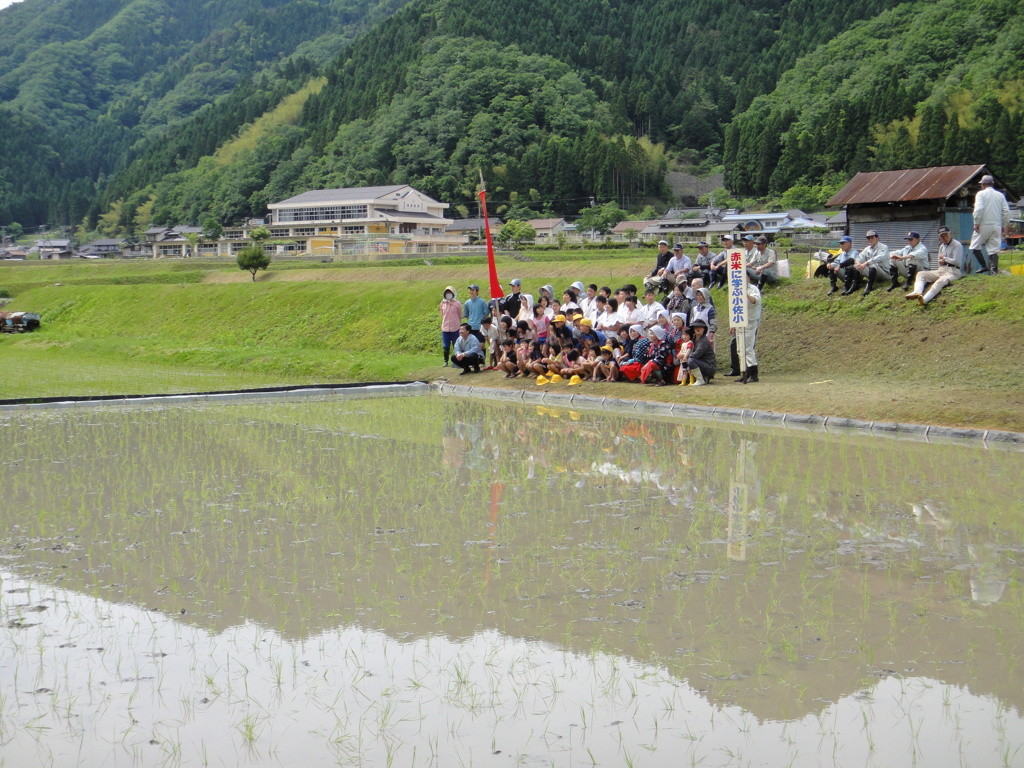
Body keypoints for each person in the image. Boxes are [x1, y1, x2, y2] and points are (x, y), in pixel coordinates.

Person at [906, 225, 963, 305]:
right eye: (942, 236)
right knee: (921, 274)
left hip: (953, 271)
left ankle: (924, 299)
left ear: (950, 234)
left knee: (940, 281)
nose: (944, 238)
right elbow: (939, 260)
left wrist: (945, 259)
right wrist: (941, 261)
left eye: (946, 235)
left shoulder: (957, 245)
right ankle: (917, 292)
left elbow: (957, 262)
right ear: (939, 237)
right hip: (942, 269)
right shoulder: (942, 246)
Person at [969, 174, 1011, 275]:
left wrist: (976, 223)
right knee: (993, 250)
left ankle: (983, 266)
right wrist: (1004, 225)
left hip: (984, 224)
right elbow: (1006, 211)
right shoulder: (1000, 195)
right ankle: (994, 271)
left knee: (974, 246)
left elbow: (979, 209)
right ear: (992, 184)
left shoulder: (980, 194)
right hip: (997, 225)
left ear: (983, 184)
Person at [843, 230, 889, 296]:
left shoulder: (884, 247)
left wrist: (866, 263)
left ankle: (869, 286)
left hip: (885, 273)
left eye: (872, 237)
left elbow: (880, 258)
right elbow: (859, 257)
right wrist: (858, 263)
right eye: (868, 238)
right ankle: (854, 285)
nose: (870, 240)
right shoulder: (867, 249)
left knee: (873, 265)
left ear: (878, 238)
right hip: (873, 273)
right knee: (855, 266)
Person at [732, 282, 762, 384]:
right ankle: (745, 372)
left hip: (749, 322)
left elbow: (755, 301)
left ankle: (754, 374)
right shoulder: (735, 287)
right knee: (740, 349)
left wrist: (745, 293)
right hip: (739, 322)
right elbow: (734, 305)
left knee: (748, 348)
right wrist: (733, 323)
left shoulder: (753, 288)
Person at [685, 319, 716, 386]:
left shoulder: (704, 341)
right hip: (701, 363)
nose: (698, 329)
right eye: (696, 327)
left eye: (700, 327)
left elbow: (696, 355)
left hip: (709, 366)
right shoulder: (693, 340)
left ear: (704, 329)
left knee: (691, 360)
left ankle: (700, 380)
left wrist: (685, 355)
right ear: (693, 329)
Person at [439, 286, 462, 367]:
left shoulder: (457, 303)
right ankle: (446, 361)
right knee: (446, 345)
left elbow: (459, 315)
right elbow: (442, 314)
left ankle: (457, 361)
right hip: (445, 328)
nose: (448, 295)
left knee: (456, 345)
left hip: (455, 327)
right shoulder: (442, 303)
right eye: (447, 293)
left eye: (450, 293)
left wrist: (459, 325)